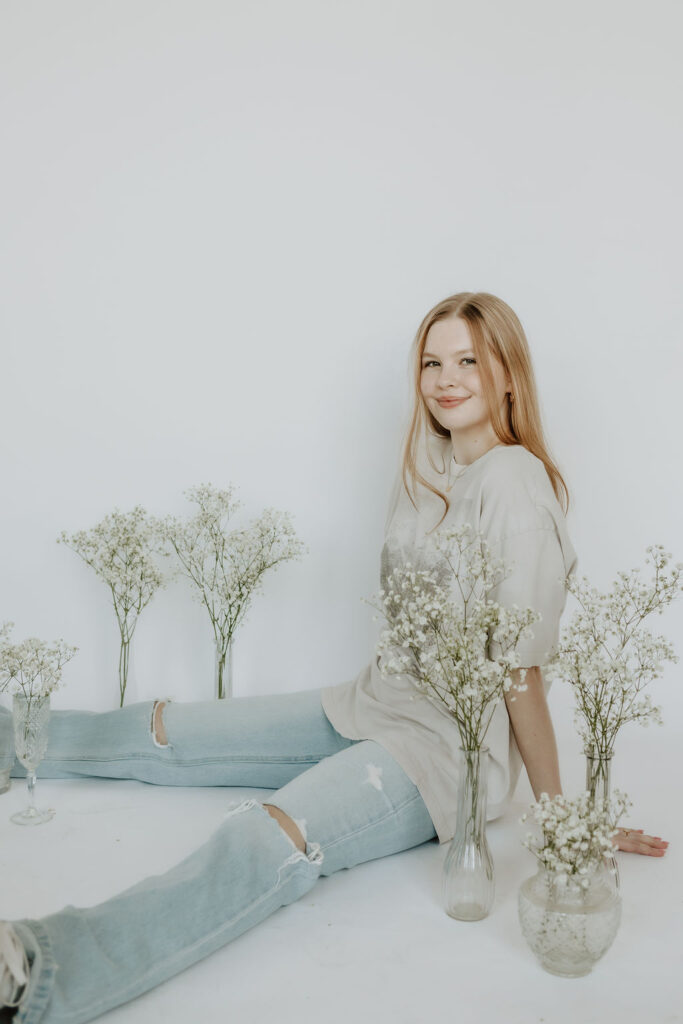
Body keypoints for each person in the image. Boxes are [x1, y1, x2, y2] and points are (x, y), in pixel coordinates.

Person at [0, 291, 668, 1022]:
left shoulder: (514, 483)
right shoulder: (426, 461)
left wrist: (559, 822)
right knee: (168, 730)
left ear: (508, 373)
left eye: (469, 361)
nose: (446, 379)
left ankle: (41, 969)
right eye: (431, 362)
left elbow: (519, 670)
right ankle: (11, 740)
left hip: (443, 752)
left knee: (267, 834)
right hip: (370, 700)